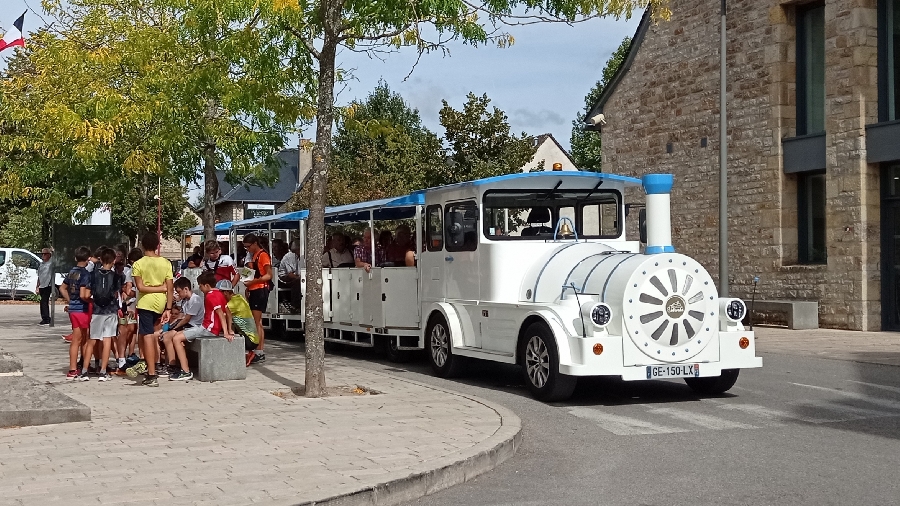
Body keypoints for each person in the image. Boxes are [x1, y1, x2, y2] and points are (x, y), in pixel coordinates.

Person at [164, 271, 233, 381]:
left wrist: (225, 333)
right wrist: (230, 329)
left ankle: (185, 371)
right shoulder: (220, 294)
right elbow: (228, 312)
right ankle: (179, 367)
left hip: (208, 329)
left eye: (200, 286)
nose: (200, 289)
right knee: (177, 335)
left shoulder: (210, 296)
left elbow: (220, 313)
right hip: (206, 328)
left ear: (206, 285)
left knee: (176, 338)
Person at [126, 232, 173, 387]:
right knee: (154, 335)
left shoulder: (138, 264)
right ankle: (154, 365)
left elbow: (140, 287)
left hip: (146, 304)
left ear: (142, 245)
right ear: (158, 245)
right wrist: (169, 307)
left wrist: (151, 288)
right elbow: (170, 288)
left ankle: (151, 374)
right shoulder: (166, 263)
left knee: (147, 336)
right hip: (161, 303)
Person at [86, 248, 122, 382]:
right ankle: (103, 371)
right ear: (113, 260)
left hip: (96, 310)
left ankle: (84, 370)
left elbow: (87, 293)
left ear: (100, 259)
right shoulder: (116, 276)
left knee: (92, 339)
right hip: (110, 310)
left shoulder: (93, 274)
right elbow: (117, 293)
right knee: (107, 340)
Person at [60, 246, 92, 380]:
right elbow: (84, 294)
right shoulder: (86, 274)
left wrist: (70, 300)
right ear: (88, 259)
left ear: (75, 258)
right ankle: (77, 368)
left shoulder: (71, 272)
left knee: (77, 339)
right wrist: (91, 299)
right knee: (82, 340)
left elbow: (62, 288)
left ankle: (77, 367)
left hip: (73, 308)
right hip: (82, 309)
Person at [242, 233, 271, 363]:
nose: (247, 249)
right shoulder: (253, 256)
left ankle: (258, 351)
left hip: (260, 289)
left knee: (256, 322)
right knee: (257, 322)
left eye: (248, 246)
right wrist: (248, 287)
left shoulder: (263, 255)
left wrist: (252, 283)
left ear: (255, 244)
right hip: (255, 289)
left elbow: (269, 275)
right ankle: (257, 351)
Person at [217, 280, 260, 367]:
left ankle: (247, 353)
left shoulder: (232, 304)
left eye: (219, 293)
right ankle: (248, 352)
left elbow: (220, 316)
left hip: (249, 340)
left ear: (225, 292)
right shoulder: (239, 297)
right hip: (254, 339)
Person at [278, 240, 305, 313]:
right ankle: (295, 306)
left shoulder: (304, 256)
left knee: (301, 281)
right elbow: (290, 274)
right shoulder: (289, 256)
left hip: (297, 276)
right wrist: (301, 278)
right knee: (298, 282)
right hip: (284, 279)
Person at [36, 247, 54, 325]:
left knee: (43, 301)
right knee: (43, 302)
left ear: (49, 255)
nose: (43, 255)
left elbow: (56, 259)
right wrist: (37, 286)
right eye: (42, 254)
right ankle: (45, 317)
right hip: (42, 285)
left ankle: (46, 318)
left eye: (45, 254)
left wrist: (53, 251)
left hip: (48, 285)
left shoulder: (51, 264)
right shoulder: (41, 264)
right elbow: (39, 276)